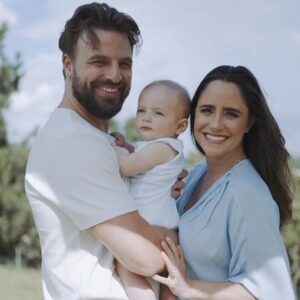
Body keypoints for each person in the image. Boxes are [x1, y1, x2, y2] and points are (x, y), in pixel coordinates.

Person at [24, 3, 184, 300]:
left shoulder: (100, 141)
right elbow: (147, 256)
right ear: (68, 64)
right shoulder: (72, 141)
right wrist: (177, 234)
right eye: (99, 62)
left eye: (124, 63)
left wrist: (159, 188)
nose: (115, 75)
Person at [152, 65, 296, 300]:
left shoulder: (246, 192)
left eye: (231, 114)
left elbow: (269, 293)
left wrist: (189, 287)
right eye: (207, 110)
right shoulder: (196, 174)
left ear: (248, 123)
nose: (216, 124)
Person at [113, 80, 190, 300]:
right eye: (141, 110)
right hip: (166, 230)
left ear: (180, 126)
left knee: (125, 265)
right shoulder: (157, 147)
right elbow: (139, 158)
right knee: (169, 285)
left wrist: (114, 149)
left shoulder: (163, 147)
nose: (146, 117)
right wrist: (127, 146)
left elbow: (127, 167)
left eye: (158, 113)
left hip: (152, 228)